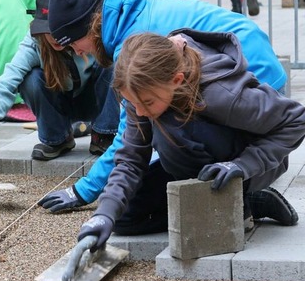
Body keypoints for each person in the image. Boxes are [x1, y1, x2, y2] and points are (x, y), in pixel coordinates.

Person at [37, 0, 287, 214]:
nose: (78, 52)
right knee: (136, 202)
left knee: (166, 131)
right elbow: (134, 143)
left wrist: (83, 190)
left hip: (250, 84)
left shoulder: (132, 42)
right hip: (244, 78)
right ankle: (232, 195)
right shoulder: (128, 14)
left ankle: (239, 197)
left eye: (74, 43)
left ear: (90, 27)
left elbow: (129, 138)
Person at [77, 32, 302, 246]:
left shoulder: (222, 94)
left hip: (247, 162)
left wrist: (243, 165)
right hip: (194, 159)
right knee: (125, 218)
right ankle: (248, 202)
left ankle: (236, 196)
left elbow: (296, 120)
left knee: (172, 126)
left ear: (177, 80)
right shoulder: (142, 92)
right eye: (132, 104)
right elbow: (131, 159)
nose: (140, 111)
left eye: (146, 103)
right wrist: (104, 215)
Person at [0, 0, 119, 162]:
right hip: (59, 104)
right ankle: (57, 138)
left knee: (113, 65)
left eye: (58, 29)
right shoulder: (35, 44)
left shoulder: (91, 35)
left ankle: (103, 134)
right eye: (48, 29)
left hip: (97, 102)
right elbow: (7, 81)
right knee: (30, 78)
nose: (54, 36)